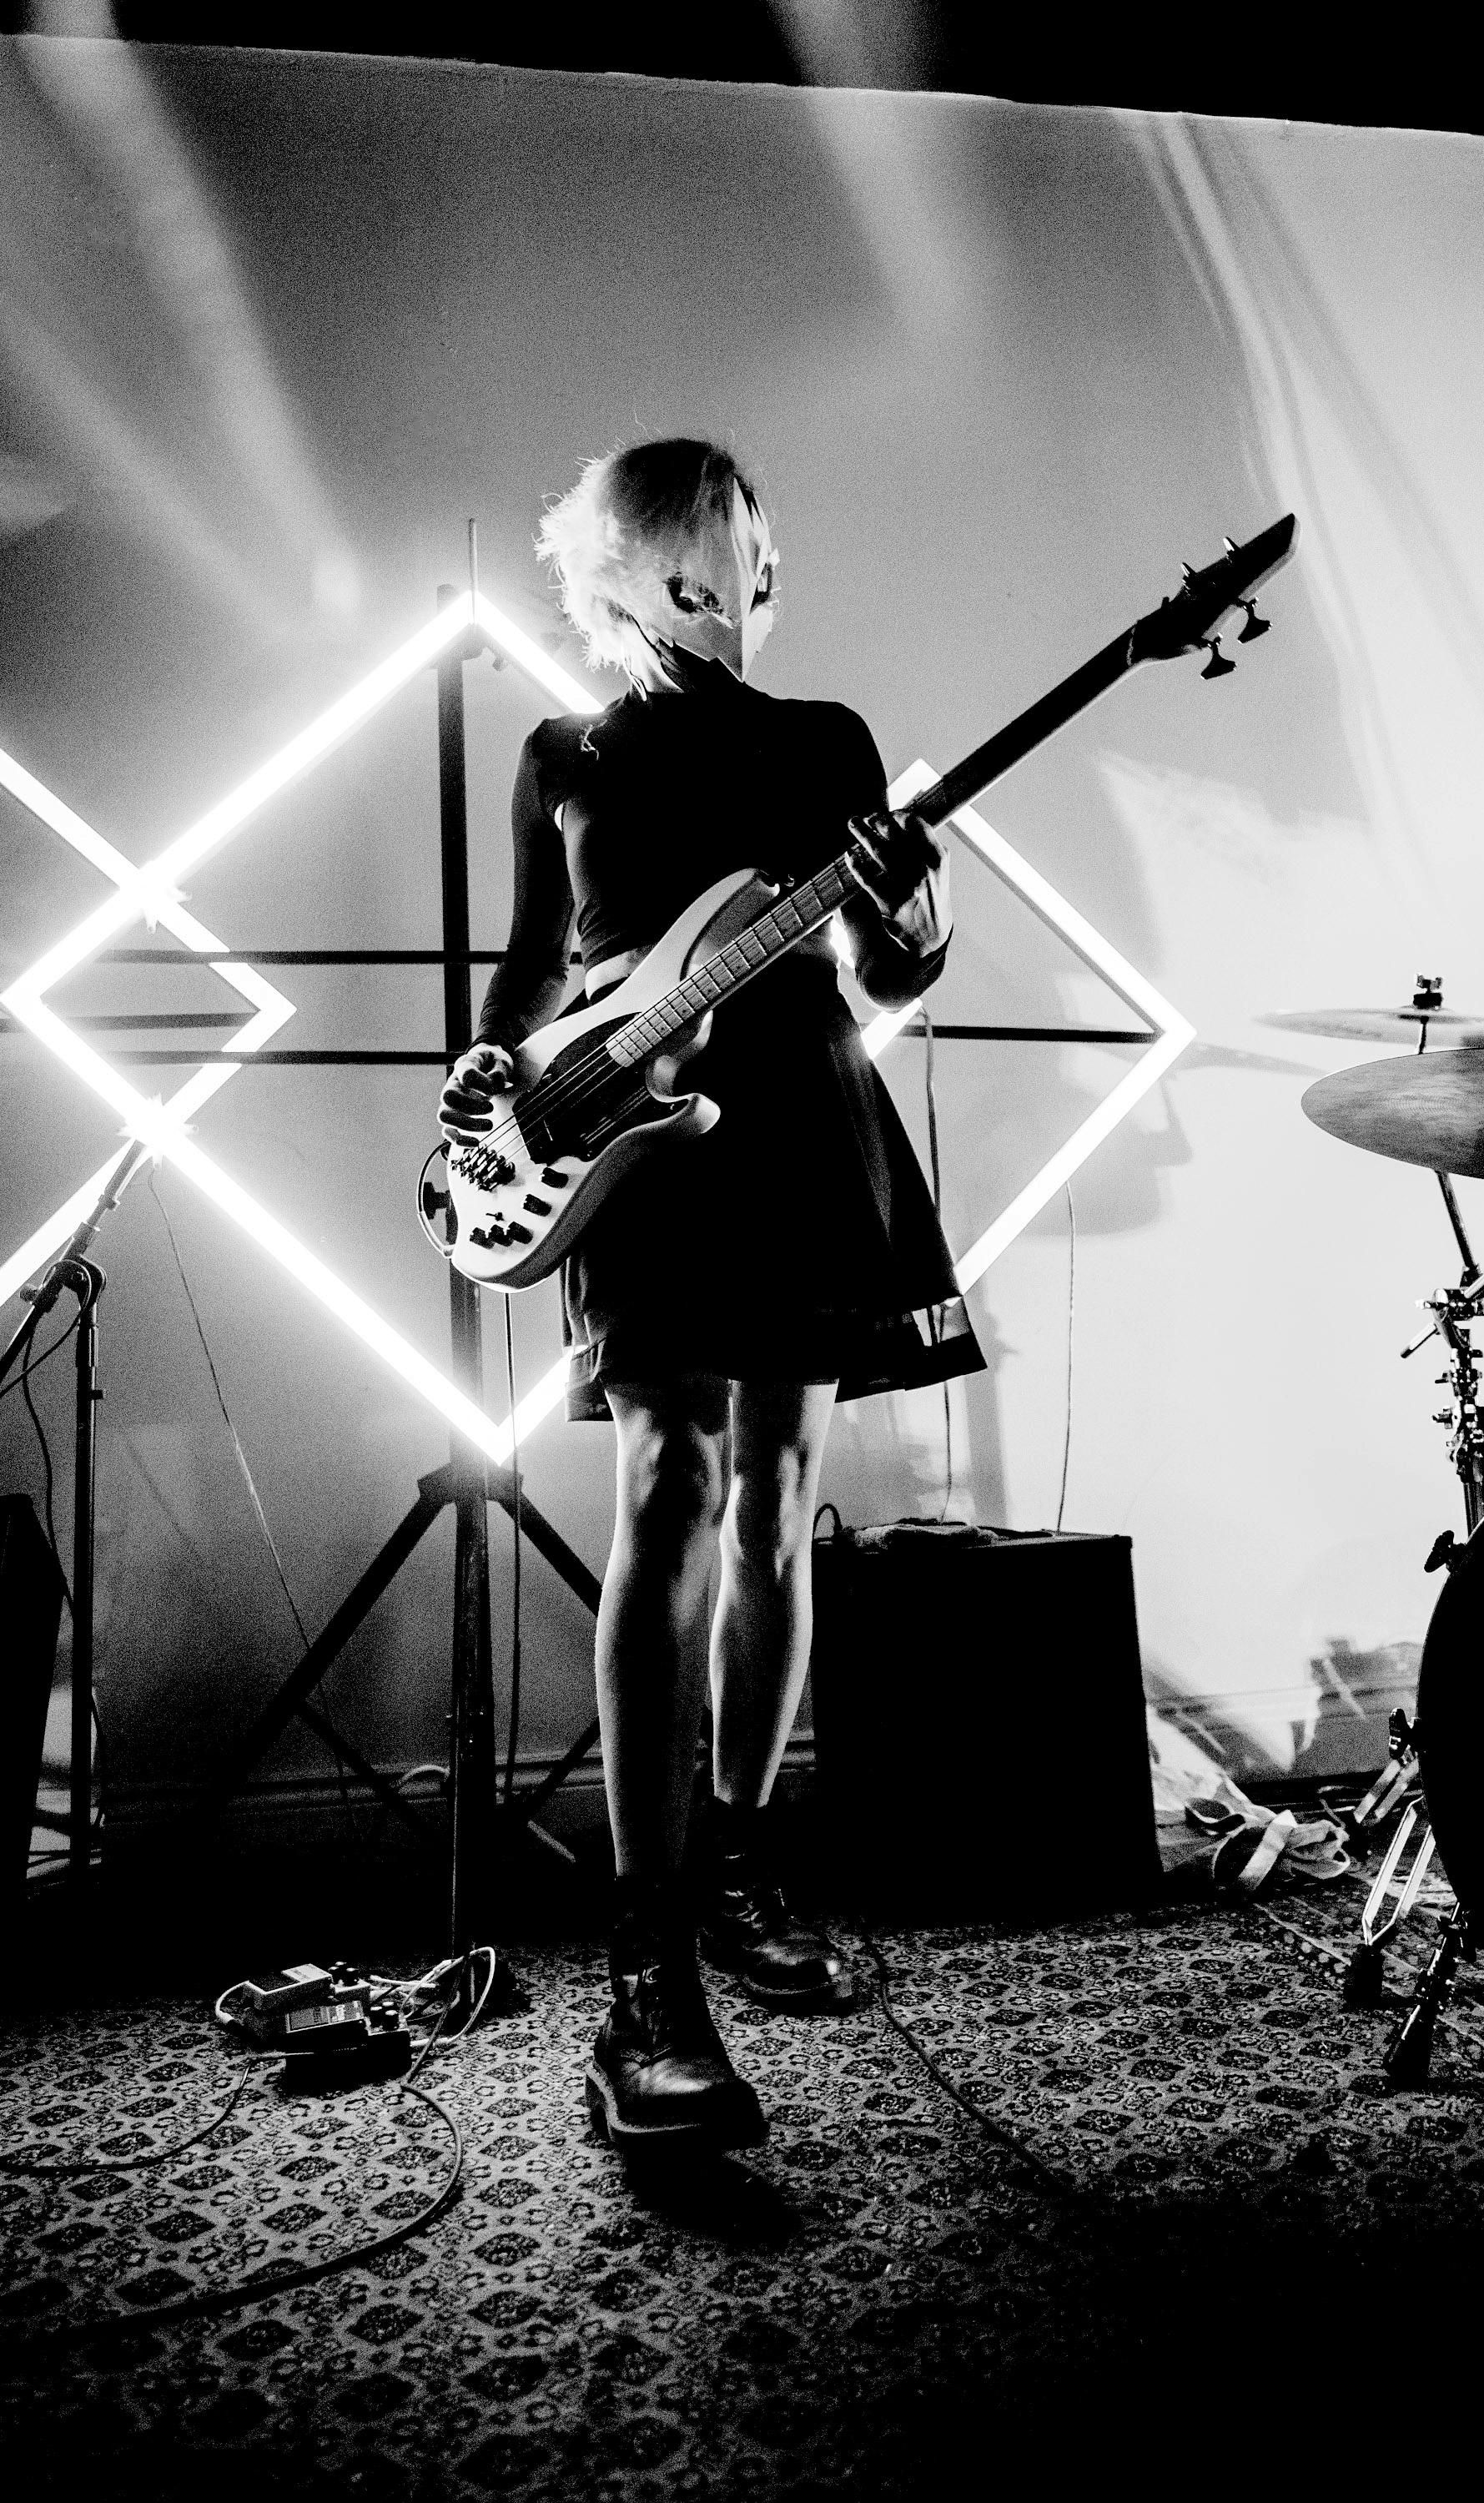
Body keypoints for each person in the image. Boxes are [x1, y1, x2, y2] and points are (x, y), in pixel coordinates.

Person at [439, 439, 980, 2155]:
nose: (724, 562)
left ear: (754, 572)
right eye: (684, 537)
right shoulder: (564, 752)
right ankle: (645, 1969)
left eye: (743, 539)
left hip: (805, 1118)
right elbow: (531, 975)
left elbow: (894, 959)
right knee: (668, 1484)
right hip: (639, 1140)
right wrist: (490, 1068)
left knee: (780, 1505)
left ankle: (745, 1855)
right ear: (617, 573)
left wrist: (917, 918)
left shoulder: (823, 745)